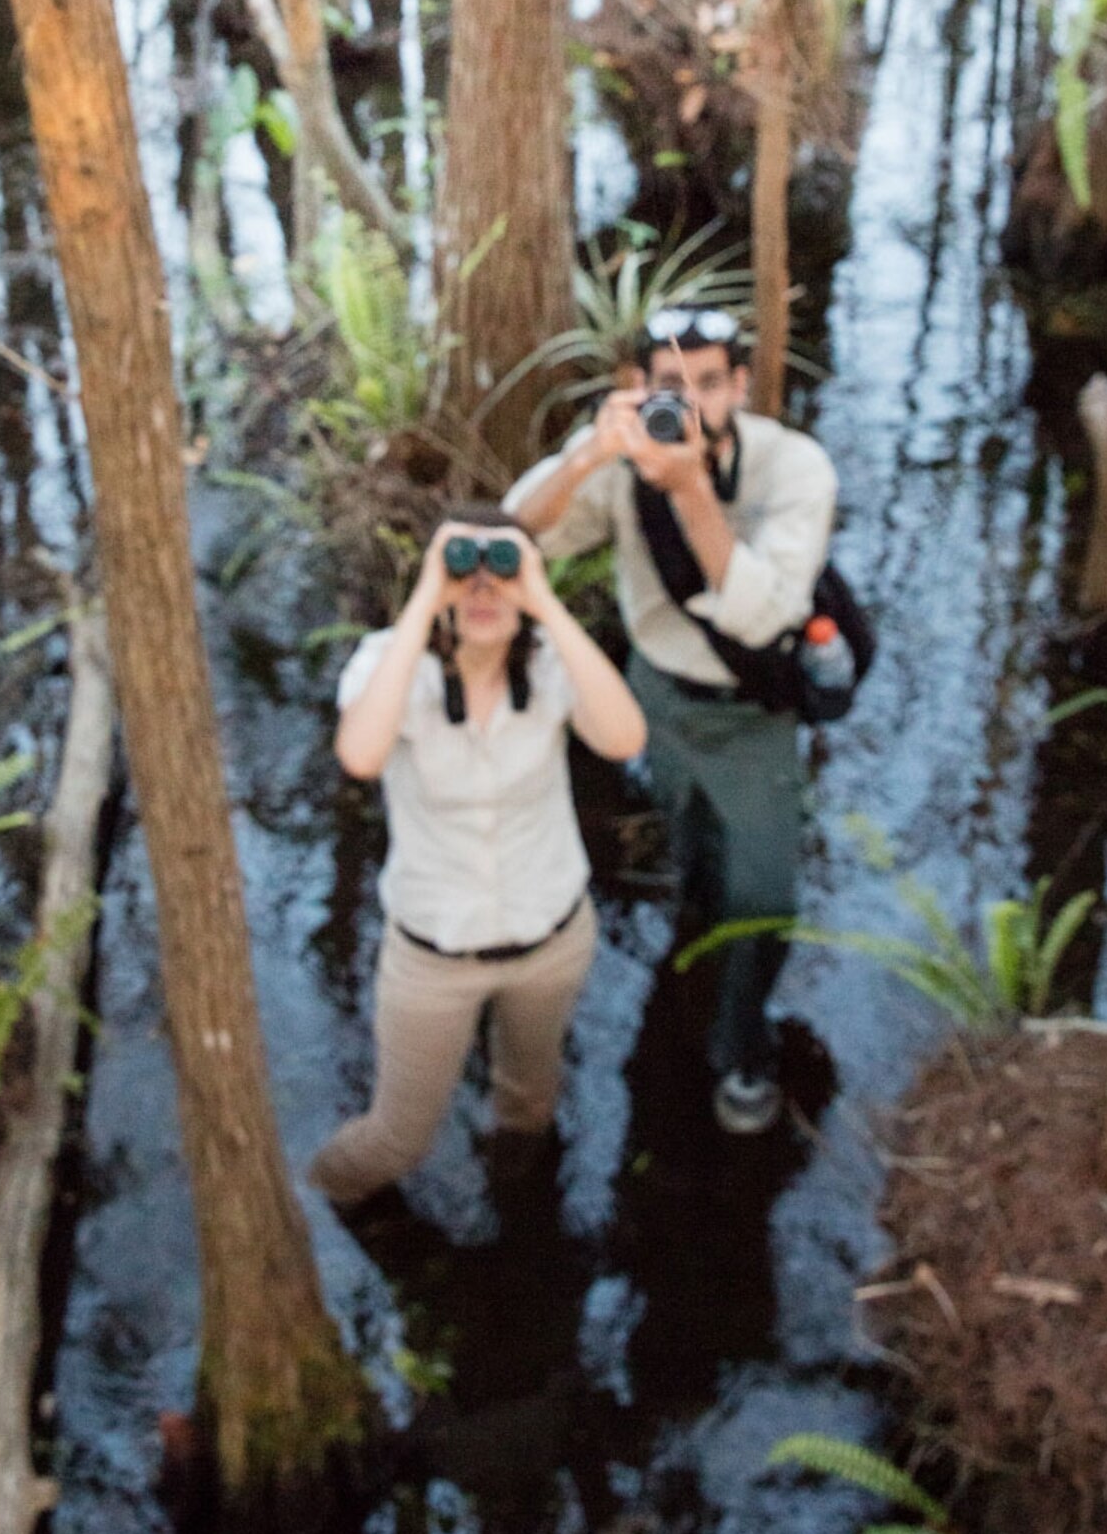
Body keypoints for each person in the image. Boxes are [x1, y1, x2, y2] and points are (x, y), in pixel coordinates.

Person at [506, 308, 838, 1137]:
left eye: (708, 384)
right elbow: (518, 536)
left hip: (753, 709)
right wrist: (588, 455)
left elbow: (762, 618)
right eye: (667, 387)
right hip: (657, 695)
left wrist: (689, 488)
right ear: (635, 390)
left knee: (763, 892)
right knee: (691, 844)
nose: (688, 403)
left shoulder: (794, 468)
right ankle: (692, 931)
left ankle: (741, 1045)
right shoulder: (621, 468)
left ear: (740, 388)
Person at [308, 504, 647, 1206]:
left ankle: (518, 1201)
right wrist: (430, 595)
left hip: (551, 940)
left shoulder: (553, 665)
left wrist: (543, 602)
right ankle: (313, 1204)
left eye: (505, 573)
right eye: (468, 572)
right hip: (433, 958)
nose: (484, 591)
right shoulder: (391, 665)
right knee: (398, 1138)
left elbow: (621, 739)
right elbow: (361, 754)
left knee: (529, 1102)